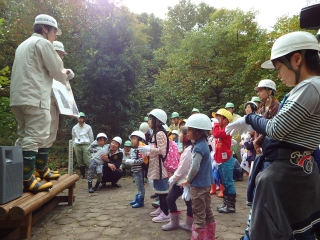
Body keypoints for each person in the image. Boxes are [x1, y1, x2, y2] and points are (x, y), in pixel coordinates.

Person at [226, 31, 320, 239]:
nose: (279, 75)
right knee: (300, 231)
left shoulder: (310, 87)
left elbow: (277, 128)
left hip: (286, 172)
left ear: (297, 59)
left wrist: (249, 119)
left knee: (270, 230)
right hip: (298, 169)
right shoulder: (309, 87)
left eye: (279, 68)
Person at [10, 14, 68, 192]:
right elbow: (57, 72)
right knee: (36, 137)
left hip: (19, 98)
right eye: (54, 32)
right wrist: (67, 74)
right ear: (45, 29)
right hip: (35, 97)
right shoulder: (43, 43)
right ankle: (28, 180)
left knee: (23, 136)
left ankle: (22, 175)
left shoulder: (23, 45)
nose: (55, 36)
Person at [37, 40, 75, 180]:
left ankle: (42, 168)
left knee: (50, 134)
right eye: (60, 54)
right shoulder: (48, 66)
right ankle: (37, 169)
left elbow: (68, 76)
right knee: (43, 135)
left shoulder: (55, 67)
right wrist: (66, 110)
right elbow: (55, 93)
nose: (62, 57)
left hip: (53, 106)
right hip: (46, 104)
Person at [181, 113, 216, 240]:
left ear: (198, 132)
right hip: (206, 184)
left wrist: (188, 180)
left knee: (199, 215)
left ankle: (198, 237)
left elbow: (195, 167)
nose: (187, 133)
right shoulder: (204, 144)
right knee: (208, 212)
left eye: (190, 130)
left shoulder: (198, 148)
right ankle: (210, 236)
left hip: (198, 186)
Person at [138, 109, 170, 223]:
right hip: (155, 165)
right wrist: (147, 152)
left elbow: (162, 150)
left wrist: (149, 149)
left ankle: (166, 213)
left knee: (163, 190)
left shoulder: (160, 133)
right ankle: (161, 208)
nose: (148, 121)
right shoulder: (154, 133)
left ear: (158, 121)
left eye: (150, 119)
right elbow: (155, 149)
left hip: (161, 167)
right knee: (158, 190)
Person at [162, 128, 193, 231]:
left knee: (188, 202)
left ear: (186, 136)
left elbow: (183, 168)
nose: (179, 135)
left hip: (184, 181)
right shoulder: (187, 149)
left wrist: (173, 178)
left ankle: (189, 224)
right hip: (181, 180)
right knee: (170, 199)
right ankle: (174, 222)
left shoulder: (189, 150)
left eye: (180, 133)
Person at [212, 109, 236, 214]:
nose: (217, 120)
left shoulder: (227, 129)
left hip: (226, 160)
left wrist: (216, 124)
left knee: (229, 183)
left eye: (219, 117)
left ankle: (231, 206)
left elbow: (216, 134)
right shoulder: (222, 128)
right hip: (221, 160)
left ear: (226, 120)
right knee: (224, 183)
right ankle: (226, 204)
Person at [253, 79, 279, 156]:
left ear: (269, 91)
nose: (258, 94)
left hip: (272, 147)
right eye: (258, 91)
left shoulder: (276, 107)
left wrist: (257, 141)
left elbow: (272, 128)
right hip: (261, 147)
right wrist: (256, 142)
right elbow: (256, 127)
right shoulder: (262, 109)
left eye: (260, 90)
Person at [126, 131, 146, 208]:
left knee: (140, 186)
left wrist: (132, 161)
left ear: (140, 140)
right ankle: (137, 198)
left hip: (139, 170)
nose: (132, 140)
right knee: (138, 185)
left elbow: (142, 160)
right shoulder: (134, 149)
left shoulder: (141, 149)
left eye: (134, 138)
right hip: (134, 170)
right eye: (132, 139)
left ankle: (141, 201)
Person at [72, 112, 94, 179]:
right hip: (78, 145)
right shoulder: (74, 128)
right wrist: (74, 146)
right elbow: (73, 137)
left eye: (81, 118)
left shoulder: (88, 127)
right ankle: (82, 175)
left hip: (86, 145)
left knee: (88, 160)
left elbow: (91, 137)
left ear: (83, 119)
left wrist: (92, 146)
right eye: (79, 118)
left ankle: (91, 174)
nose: (80, 119)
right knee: (79, 161)